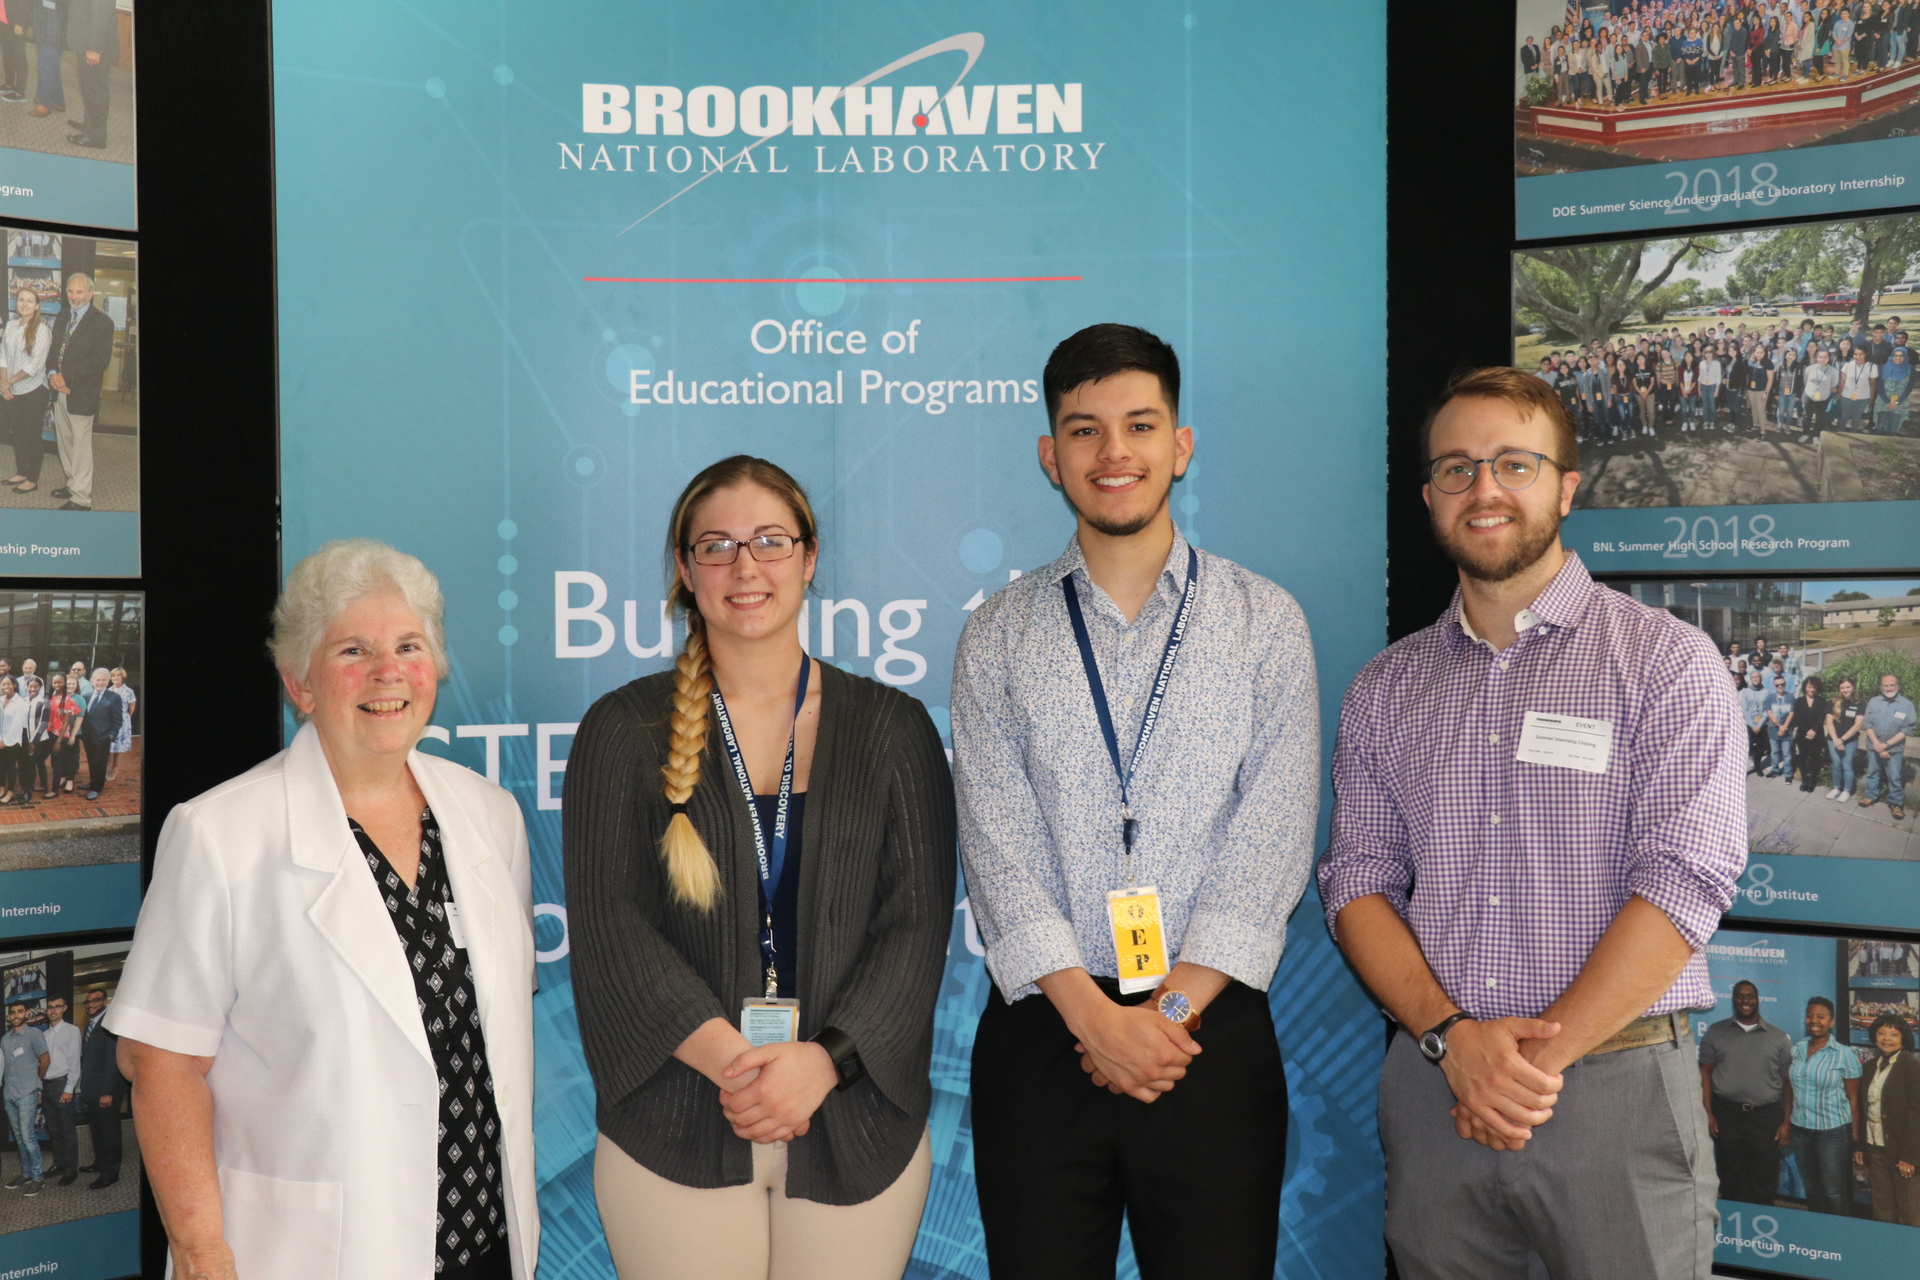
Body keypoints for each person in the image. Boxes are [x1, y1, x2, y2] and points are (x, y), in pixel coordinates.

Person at [1321, 367, 1744, 1280]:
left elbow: (1685, 881)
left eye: (1514, 463)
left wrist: (1522, 1069)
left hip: (1617, 1099)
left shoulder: (1666, 664)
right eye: (1457, 468)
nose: (1485, 490)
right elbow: (1355, 880)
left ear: (1566, 486)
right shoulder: (1386, 689)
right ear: (1430, 495)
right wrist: (1454, 1044)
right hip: (1437, 1094)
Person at [955, 324, 1317, 1280]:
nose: (1114, 453)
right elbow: (996, 850)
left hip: (1208, 1037)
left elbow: (1274, 838)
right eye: (1084, 430)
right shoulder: (996, 634)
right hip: (1047, 1033)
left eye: (1140, 425)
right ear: (1050, 456)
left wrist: (1164, 1014)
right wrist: (1096, 1020)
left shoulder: (1264, 620)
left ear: (1180, 445)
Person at [105, 539, 540, 1279]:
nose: (387, 672)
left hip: (484, 1247)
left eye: (409, 645)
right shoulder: (219, 835)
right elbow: (159, 1061)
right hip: (310, 1254)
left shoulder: (490, 815)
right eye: (352, 651)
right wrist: (203, 1251)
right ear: (299, 684)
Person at [565, 457, 952, 1280]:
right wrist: (745, 1072)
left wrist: (821, 1064)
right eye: (717, 545)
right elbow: (611, 933)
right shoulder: (622, 730)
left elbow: (915, 929)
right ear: (684, 570)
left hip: (854, 1123)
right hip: (676, 1119)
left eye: (771, 541)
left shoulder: (893, 728)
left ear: (810, 560)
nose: (746, 566)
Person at [1699, 980, 1793, 1206]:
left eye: (1750, 996)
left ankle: (1764, 1229)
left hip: (1765, 1117)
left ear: (1757, 999)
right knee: (1729, 1174)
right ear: (1733, 1000)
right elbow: (1705, 1074)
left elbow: (1787, 1082)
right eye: (1740, 996)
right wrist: (1708, 1113)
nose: (1745, 1000)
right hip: (1727, 1115)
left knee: (1764, 1177)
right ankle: (1733, 1228)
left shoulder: (1778, 1037)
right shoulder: (1715, 1032)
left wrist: (1786, 1122)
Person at [44, 273, 112, 512]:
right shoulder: (63, 315)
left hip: (82, 392)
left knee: (81, 446)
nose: (74, 296)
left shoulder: (103, 322)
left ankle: (82, 499)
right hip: (59, 391)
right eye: (71, 291)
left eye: (80, 292)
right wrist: (52, 372)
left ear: (90, 294)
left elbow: (99, 361)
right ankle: (73, 484)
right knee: (65, 442)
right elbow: (53, 349)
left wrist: (66, 377)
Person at [1789, 996, 1861, 1217]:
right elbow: (1790, 1089)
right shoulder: (1797, 1050)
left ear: (1832, 1022)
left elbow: (1854, 1099)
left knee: (1834, 1191)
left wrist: (1856, 1141)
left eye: (1821, 1016)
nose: (1814, 1020)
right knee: (1812, 1188)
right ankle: (1818, 1237)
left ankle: (1841, 1240)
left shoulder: (1844, 1055)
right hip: (1800, 1130)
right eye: (1810, 1016)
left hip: (1832, 1133)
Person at [1857, 1013, 1920, 1225]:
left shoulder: (1911, 1066)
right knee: (1882, 1209)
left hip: (1903, 1152)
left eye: (1893, 1034)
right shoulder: (1869, 1066)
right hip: (1876, 1147)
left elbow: (1917, 1112)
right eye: (1882, 1033)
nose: (1886, 1038)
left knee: (1910, 1211)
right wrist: (1862, 1147)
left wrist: (1909, 1155)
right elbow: (1864, 1108)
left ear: (1904, 1038)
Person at [2, 284, 51, 494]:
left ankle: (32, 478)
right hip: (11, 390)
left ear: (37, 306)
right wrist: (3, 383)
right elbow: (2, 355)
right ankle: (21, 472)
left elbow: (35, 365)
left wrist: (9, 381)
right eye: (21, 299)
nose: (24, 304)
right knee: (18, 434)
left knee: (31, 435)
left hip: (34, 390)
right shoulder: (11, 326)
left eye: (29, 301)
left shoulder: (42, 330)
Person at [75, 987, 124, 1189]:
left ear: (105, 1001)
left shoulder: (110, 1024)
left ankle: (110, 1173)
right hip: (93, 1091)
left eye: (96, 1000)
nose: (91, 1004)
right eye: (87, 1002)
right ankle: (100, 1163)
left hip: (106, 1092)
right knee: (97, 1131)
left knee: (109, 1132)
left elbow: (113, 1061)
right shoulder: (91, 1025)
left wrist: (107, 1092)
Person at [1, 1000, 48, 1195]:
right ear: (9, 1016)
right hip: (10, 1095)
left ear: (26, 1014)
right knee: (19, 1137)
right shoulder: (4, 1039)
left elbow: (45, 1061)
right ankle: (26, 1173)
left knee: (28, 1137)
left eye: (20, 1011)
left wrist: (37, 1086)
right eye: (13, 1012)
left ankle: (38, 1177)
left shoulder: (34, 1034)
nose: (16, 1015)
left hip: (27, 1093)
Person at [62, 0, 116, 149]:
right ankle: (90, 125)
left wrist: (95, 47)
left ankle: (95, 136)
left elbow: (102, 13)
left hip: (94, 45)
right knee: (89, 88)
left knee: (95, 91)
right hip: (85, 41)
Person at [39, 992, 80, 1186]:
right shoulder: (44, 1035)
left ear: (64, 1008)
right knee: (54, 1130)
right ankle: (59, 1164)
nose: (53, 1010)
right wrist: (40, 1089)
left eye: (57, 1006)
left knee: (67, 1131)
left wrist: (69, 1088)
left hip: (62, 1084)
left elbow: (74, 1062)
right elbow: (40, 1064)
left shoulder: (71, 1031)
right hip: (47, 1086)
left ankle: (71, 1170)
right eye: (50, 1007)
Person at [1860, 672, 1913, 820]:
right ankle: (1871, 796)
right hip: (1873, 747)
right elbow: (1867, 724)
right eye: (1886, 685)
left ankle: (1896, 803)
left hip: (1894, 750)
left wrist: (1886, 745)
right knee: (1872, 773)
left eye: (1892, 685)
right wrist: (1877, 744)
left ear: (1897, 686)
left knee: (1894, 777)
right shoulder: (1873, 701)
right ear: (1880, 687)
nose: (1889, 688)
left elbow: (1907, 729)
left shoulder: (1906, 705)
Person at [77, 666, 117, 799]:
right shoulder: (87, 696)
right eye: (97, 680)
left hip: (103, 736)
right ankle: (92, 783)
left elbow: (118, 720)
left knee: (100, 763)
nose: (100, 682)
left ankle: (97, 788)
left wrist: (112, 735)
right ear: (92, 681)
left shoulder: (114, 697)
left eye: (103, 680)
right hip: (88, 736)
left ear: (108, 681)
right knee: (91, 761)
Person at [1827, 676, 1865, 801]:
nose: (1845, 690)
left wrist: (1842, 740)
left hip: (1850, 741)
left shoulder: (1860, 704)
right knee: (1836, 765)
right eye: (1842, 687)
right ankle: (1836, 788)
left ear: (1853, 687)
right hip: (1833, 740)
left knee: (1847, 766)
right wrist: (1836, 740)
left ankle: (1847, 790)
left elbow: (1857, 725)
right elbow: (1829, 722)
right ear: (1839, 689)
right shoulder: (1833, 702)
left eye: (1848, 687)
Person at [1789, 674, 1827, 792]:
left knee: (1814, 759)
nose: (1811, 689)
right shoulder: (1799, 701)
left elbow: (1822, 717)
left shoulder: (1821, 701)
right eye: (1809, 687)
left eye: (1813, 687)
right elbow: (1798, 718)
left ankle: (1813, 781)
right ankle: (1805, 779)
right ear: (1805, 687)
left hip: (1817, 734)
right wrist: (1807, 731)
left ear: (1817, 688)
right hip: (1802, 734)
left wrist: (1814, 730)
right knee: (1802, 758)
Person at [46, 670, 79, 796]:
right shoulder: (52, 697)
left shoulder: (67, 700)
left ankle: (54, 790)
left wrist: (59, 741)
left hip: (60, 736)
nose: (56, 684)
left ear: (64, 683)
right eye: (54, 682)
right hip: (49, 733)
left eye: (59, 682)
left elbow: (66, 723)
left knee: (57, 763)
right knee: (53, 761)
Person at [30, 0, 63, 118]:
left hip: (56, 17)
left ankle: (45, 103)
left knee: (46, 63)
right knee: (50, 62)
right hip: (41, 12)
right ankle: (57, 99)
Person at [0, 675, 27, 806]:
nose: (6, 687)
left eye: (9, 684)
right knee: (0, 766)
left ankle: (10, 792)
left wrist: (5, 741)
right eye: (3, 684)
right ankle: (1, 789)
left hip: (13, 741)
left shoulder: (20, 702)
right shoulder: (0, 700)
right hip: (0, 740)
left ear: (15, 685)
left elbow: (17, 724)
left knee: (10, 766)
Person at [1838, 344, 1877, 430]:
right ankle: (1840, 432)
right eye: (1855, 354)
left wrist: (1872, 398)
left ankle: (1854, 432)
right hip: (1846, 396)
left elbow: (1873, 384)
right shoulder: (1847, 365)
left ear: (1866, 354)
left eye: (1861, 354)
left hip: (1863, 397)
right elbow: (1842, 381)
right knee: (1844, 416)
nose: (1858, 357)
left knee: (1857, 417)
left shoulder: (1871, 367)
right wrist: (1839, 394)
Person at [21, 674, 46, 805]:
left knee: (31, 765)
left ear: (40, 687)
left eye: (36, 686)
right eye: (30, 686)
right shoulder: (23, 700)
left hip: (35, 738)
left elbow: (43, 724)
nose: (33, 689)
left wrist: (33, 742)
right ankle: (23, 788)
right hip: (23, 736)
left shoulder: (43, 702)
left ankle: (28, 791)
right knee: (23, 764)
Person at [1765, 673, 1795, 781]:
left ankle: (1788, 774)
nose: (1780, 687)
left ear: (1785, 684)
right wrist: (1778, 726)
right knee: (1774, 752)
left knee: (1787, 753)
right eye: (1777, 685)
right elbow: (1769, 713)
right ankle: (1775, 770)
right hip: (1774, 729)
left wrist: (1784, 727)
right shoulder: (1770, 697)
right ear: (1774, 686)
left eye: (1782, 684)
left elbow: (1791, 713)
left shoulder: (1790, 696)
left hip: (1787, 729)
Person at [104, 666, 132, 781]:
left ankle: (114, 768)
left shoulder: (128, 691)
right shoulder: (108, 690)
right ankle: (105, 768)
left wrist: (125, 721)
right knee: (109, 745)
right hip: (109, 721)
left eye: (118, 675)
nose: (115, 678)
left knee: (118, 747)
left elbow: (131, 707)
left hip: (122, 721)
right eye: (113, 676)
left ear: (122, 677)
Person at [1877, 344, 1911, 433]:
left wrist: (1897, 402)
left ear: (1905, 357)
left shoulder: (1910, 369)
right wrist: (1887, 402)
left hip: (1900, 402)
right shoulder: (1884, 367)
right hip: (1883, 401)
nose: (1897, 358)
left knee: (1893, 427)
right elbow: (1880, 386)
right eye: (1895, 355)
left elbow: (1909, 388)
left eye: (1901, 356)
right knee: (1880, 426)